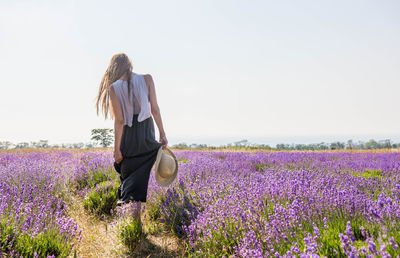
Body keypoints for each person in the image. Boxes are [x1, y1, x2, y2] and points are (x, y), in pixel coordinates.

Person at [96, 53, 168, 222]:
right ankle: (137, 219)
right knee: (142, 170)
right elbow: (155, 109)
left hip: (128, 134)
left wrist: (117, 150)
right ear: (130, 65)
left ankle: (134, 219)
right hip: (146, 130)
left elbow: (119, 121)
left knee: (128, 171)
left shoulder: (114, 88)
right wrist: (162, 134)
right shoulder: (147, 79)